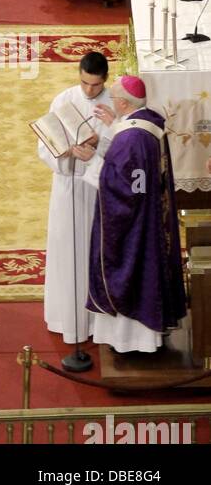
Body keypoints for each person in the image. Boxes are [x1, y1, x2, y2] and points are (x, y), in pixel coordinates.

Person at [83, 76, 187, 355]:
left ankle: (130, 340)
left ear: (124, 102)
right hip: (147, 215)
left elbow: (130, 186)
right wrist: (113, 126)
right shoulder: (148, 124)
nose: (111, 103)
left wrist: (92, 162)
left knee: (131, 273)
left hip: (133, 225)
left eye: (114, 99)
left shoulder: (132, 137)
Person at [38, 52, 114, 345]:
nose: (88, 91)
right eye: (84, 83)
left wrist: (98, 146)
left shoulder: (113, 104)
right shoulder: (63, 100)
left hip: (98, 188)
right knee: (66, 249)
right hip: (68, 185)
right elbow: (45, 143)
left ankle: (99, 321)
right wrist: (64, 152)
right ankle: (67, 318)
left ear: (105, 80)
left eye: (95, 86)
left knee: (96, 250)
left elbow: (122, 146)